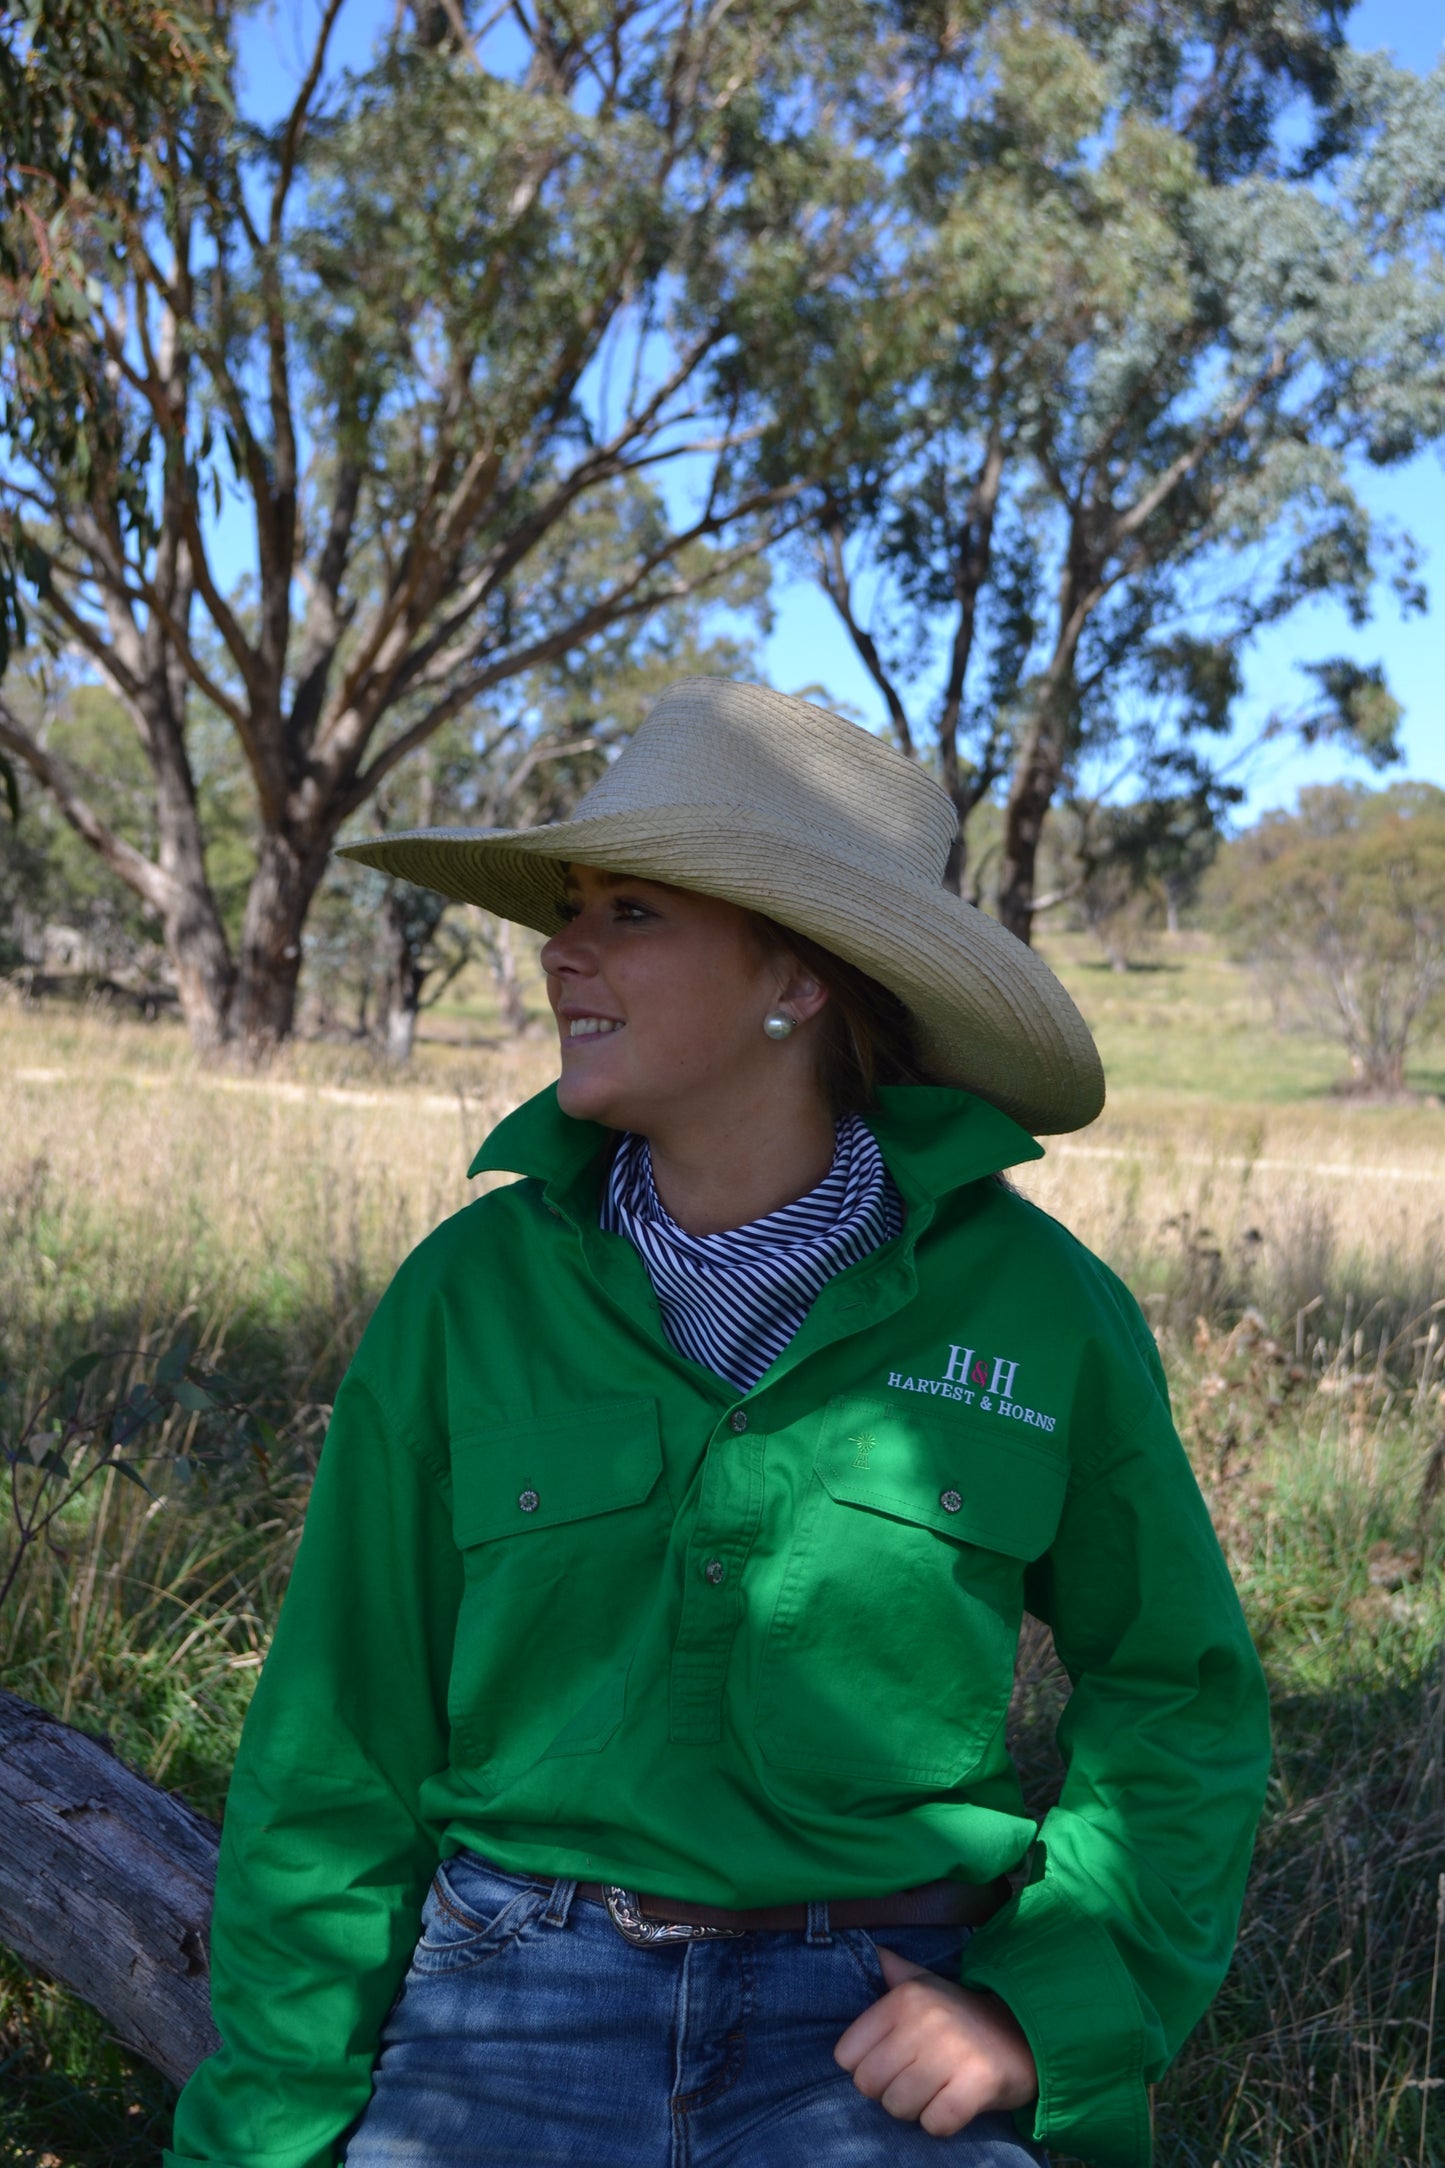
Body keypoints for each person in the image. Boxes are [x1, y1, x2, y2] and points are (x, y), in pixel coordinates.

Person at [165, 678, 1271, 2168]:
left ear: (796, 980)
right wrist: (261, 2135)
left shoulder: (1040, 1310)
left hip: (877, 2022)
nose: (561, 950)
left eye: (629, 912)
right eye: (570, 907)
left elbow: (1177, 1691)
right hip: (509, 2007)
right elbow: (337, 1742)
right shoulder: (467, 1299)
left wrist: (1039, 2006)